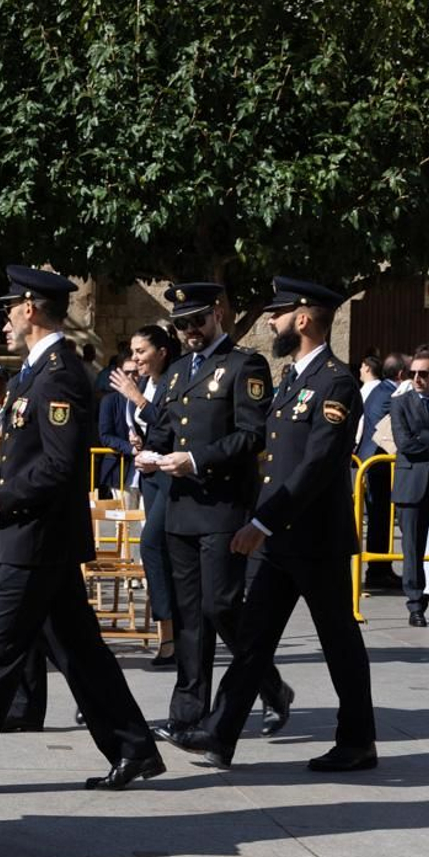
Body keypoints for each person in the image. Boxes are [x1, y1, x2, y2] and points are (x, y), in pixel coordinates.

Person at [0, 266, 163, 796]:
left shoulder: (57, 374)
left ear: (30, 308)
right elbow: (29, 452)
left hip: (36, 540)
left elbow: (60, 467)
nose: (5, 320)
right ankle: (133, 748)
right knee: (81, 653)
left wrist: (2, 495)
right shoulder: (37, 372)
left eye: (9, 308)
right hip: (38, 539)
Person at [164, 277, 376, 772]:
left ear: (303, 318)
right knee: (254, 640)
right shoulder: (294, 377)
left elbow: (317, 465)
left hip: (314, 539)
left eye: (278, 313)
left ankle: (358, 740)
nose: (272, 322)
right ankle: (219, 735)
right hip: (278, 539)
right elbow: (273, 458)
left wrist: (261, 520)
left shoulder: (335, 381)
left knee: (340, 642)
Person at [141, 282, 291, 743]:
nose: (189, 331)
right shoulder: (179, 370)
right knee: (189, 614)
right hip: (182, 507)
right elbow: (165, 428)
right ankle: (187, 712)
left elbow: (251, 434)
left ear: (219, 313)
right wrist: (148, 452)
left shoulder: (245, 364)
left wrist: (197, 460)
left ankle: (268, 685)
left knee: (221, 606)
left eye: (197, 320)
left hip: (222, 504)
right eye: (182, 324)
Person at [111, 324, 181, 665]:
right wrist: (138, 444)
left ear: (162, 352)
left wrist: (138, 400)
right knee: (161, 553)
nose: (135, 358)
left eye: (141, 351)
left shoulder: (173, 381)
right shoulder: (143, 383)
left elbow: (175, 425)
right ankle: (168, 635)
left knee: (152, 546)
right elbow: (145, 427)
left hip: (173, 478)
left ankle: (174, 634)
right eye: (133, 352)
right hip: (149, 477)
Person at [390, 347, 429, 628]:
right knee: (412, 548)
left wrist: (426, 438)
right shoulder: (400, 402)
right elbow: (405, 444)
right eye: (413, 374)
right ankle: (415, 605)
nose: (417, 379)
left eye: (424, 373)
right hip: (412, 484)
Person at [359, 355, 400, 587]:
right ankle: (378, 572)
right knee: (380, 518)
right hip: (379, 465)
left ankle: (381, 569)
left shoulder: (379, 390)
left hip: (376, 464)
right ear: (401, 375)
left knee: (380, 518)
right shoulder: (388, 394)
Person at [95, 355, 135, 498]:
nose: (131, 377)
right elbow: (105, 436)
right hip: (120, 468)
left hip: (148, 472)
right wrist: (131, 449)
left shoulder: (149, 399)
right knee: (125, 518)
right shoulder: (110, 401)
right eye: (127, 373)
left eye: (135, 373)